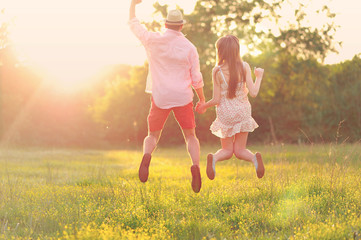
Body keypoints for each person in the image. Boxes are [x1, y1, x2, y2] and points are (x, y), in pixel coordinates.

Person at [128, 0, 205, 193]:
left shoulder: (153, 40)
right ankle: (195, 166)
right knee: (190, 136)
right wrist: (202, 100)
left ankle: (147, 155)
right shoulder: (190, 47)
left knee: (152, 135)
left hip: (160, 96)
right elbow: (196, 78)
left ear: (165, 24)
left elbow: (134, 26)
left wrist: (132, 5)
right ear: (181, 25)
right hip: (183, 97)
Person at [196, 35, 265, 180]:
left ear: (220, 51)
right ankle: (254, 159)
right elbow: (253, 93)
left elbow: (216, 99)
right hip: (243, 112)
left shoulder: (217, 71)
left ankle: (214, 159)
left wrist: (204, 106)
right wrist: (258, 76)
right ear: (237, 50)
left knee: (227, 150)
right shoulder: (244, 66)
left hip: (225, 113)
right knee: (240, 150)